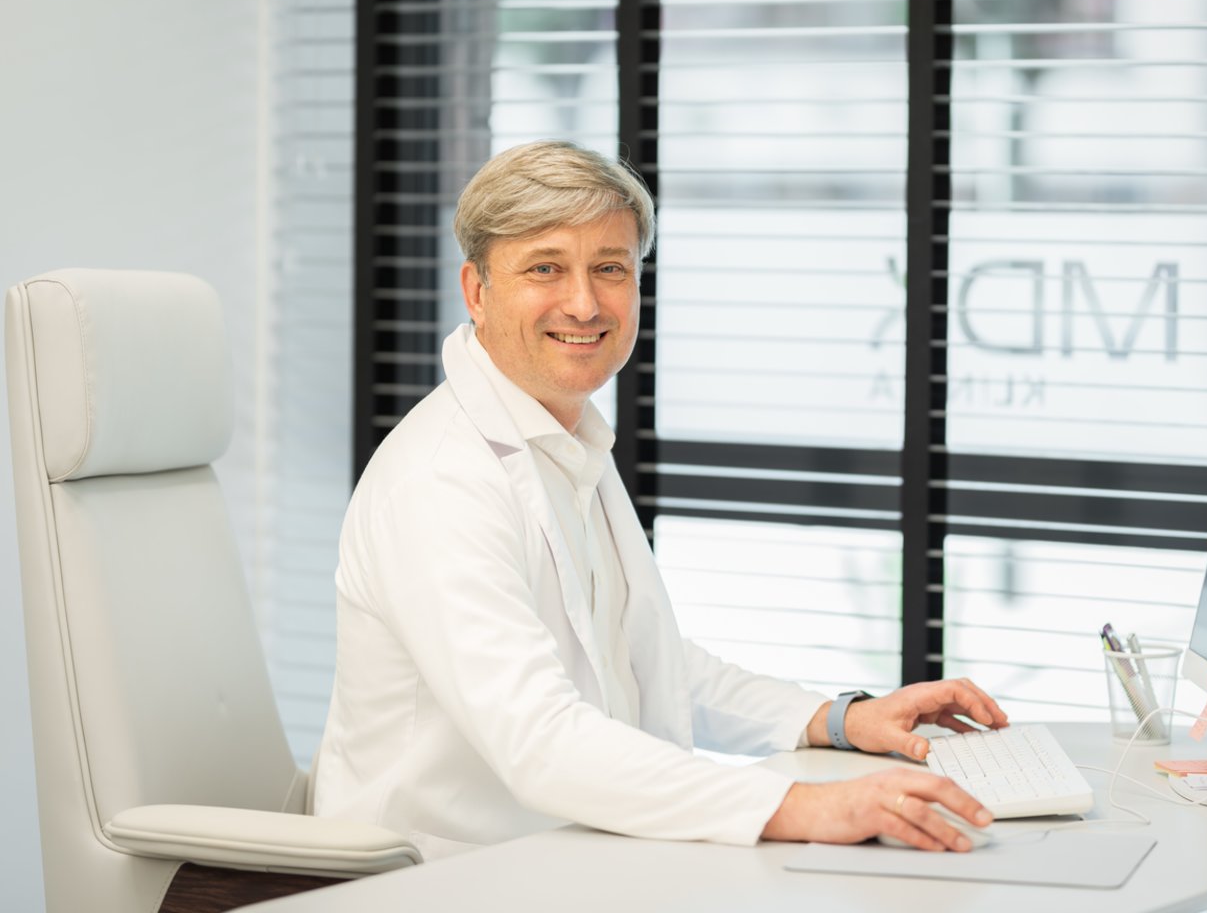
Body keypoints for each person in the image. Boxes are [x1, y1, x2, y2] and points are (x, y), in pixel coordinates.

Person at [313, 140, 1010, 861]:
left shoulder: (560, 432)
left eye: (609, 268)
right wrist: (801, 805)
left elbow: (635, 659)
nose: (584, 303)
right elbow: (538, 740)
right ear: (477, 290)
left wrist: (836, 720)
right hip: (435, 877)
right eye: (545, 268)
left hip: (558, 856)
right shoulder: (441, 482)